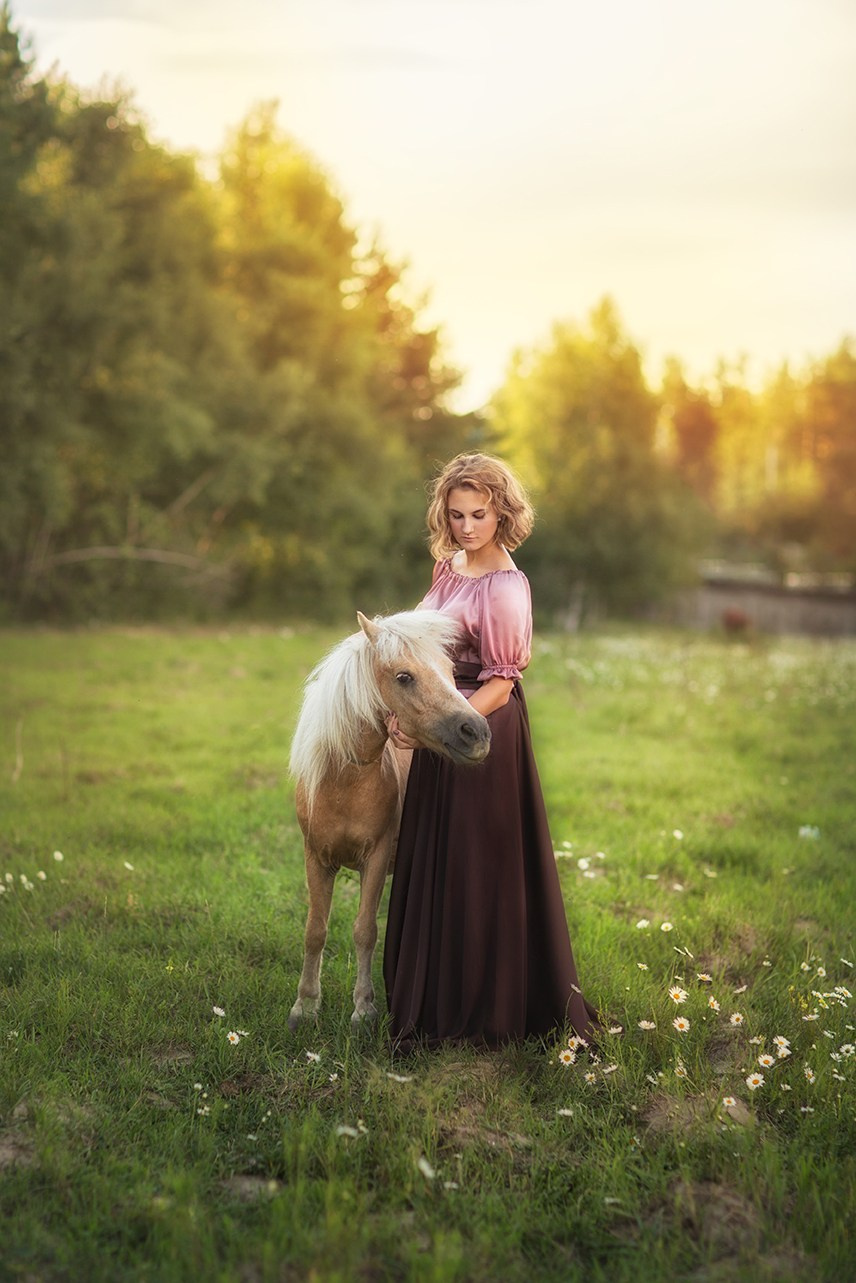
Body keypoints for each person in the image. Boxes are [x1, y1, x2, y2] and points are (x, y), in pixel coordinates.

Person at [383, 452, 599, 1050]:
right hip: (441, 721)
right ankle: (427, 1007)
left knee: (479, 871)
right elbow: (426, 655)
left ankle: (485, 1011)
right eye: (457, 515)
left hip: (481, 733)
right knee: (435, 862)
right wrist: (416, 716)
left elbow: (501, 685)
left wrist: (439, 726)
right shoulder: (446, 567)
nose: (468, 527)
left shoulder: (507, 589)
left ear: (502, 512)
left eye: (479, 514)